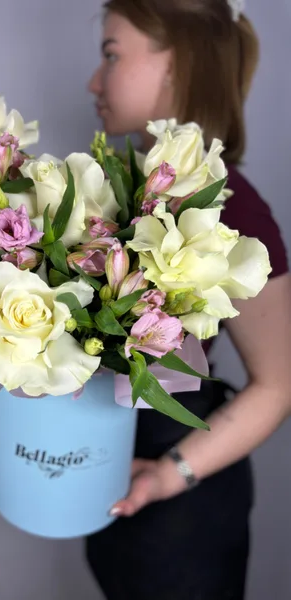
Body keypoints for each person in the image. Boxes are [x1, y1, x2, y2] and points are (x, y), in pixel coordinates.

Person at [86, 1, 291, 599]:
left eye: (111, 55)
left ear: (177, 64)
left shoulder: (234, 207)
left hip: (180, 505)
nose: (94, 81)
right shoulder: (114, 182)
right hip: (112, 474)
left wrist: (170, 476)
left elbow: (278, 385)